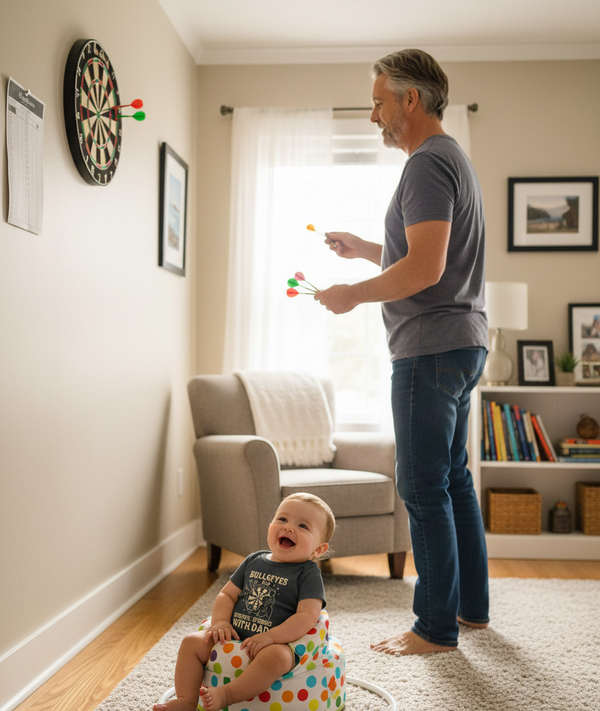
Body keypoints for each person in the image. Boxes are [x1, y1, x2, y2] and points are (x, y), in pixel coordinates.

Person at [315, 48, 489, 655]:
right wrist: (367, 248)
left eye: (378, 102)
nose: (374, 116)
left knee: (420, 487)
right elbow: (430, 260)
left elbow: (425, 268)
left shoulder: (425, 164)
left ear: (409, 100)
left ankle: (433, 630)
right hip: (462, 344)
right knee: (454, 481)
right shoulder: (452, 159)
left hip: (429, 350)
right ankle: (470, 610)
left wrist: (351, 296)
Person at [153, 493, 335, 711]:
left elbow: (307, 616)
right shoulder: (253, 560)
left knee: (276, 658)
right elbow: (227, 595)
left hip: (277, 643)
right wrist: (220, 623)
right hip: (234, 636)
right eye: (282, 519)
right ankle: (186, 701)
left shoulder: (308, 573)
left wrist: (271, 637)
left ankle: (227, 694)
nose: (288, 528)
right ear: (270, 526)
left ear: (318, 549)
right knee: (191, 642)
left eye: (303, 526)